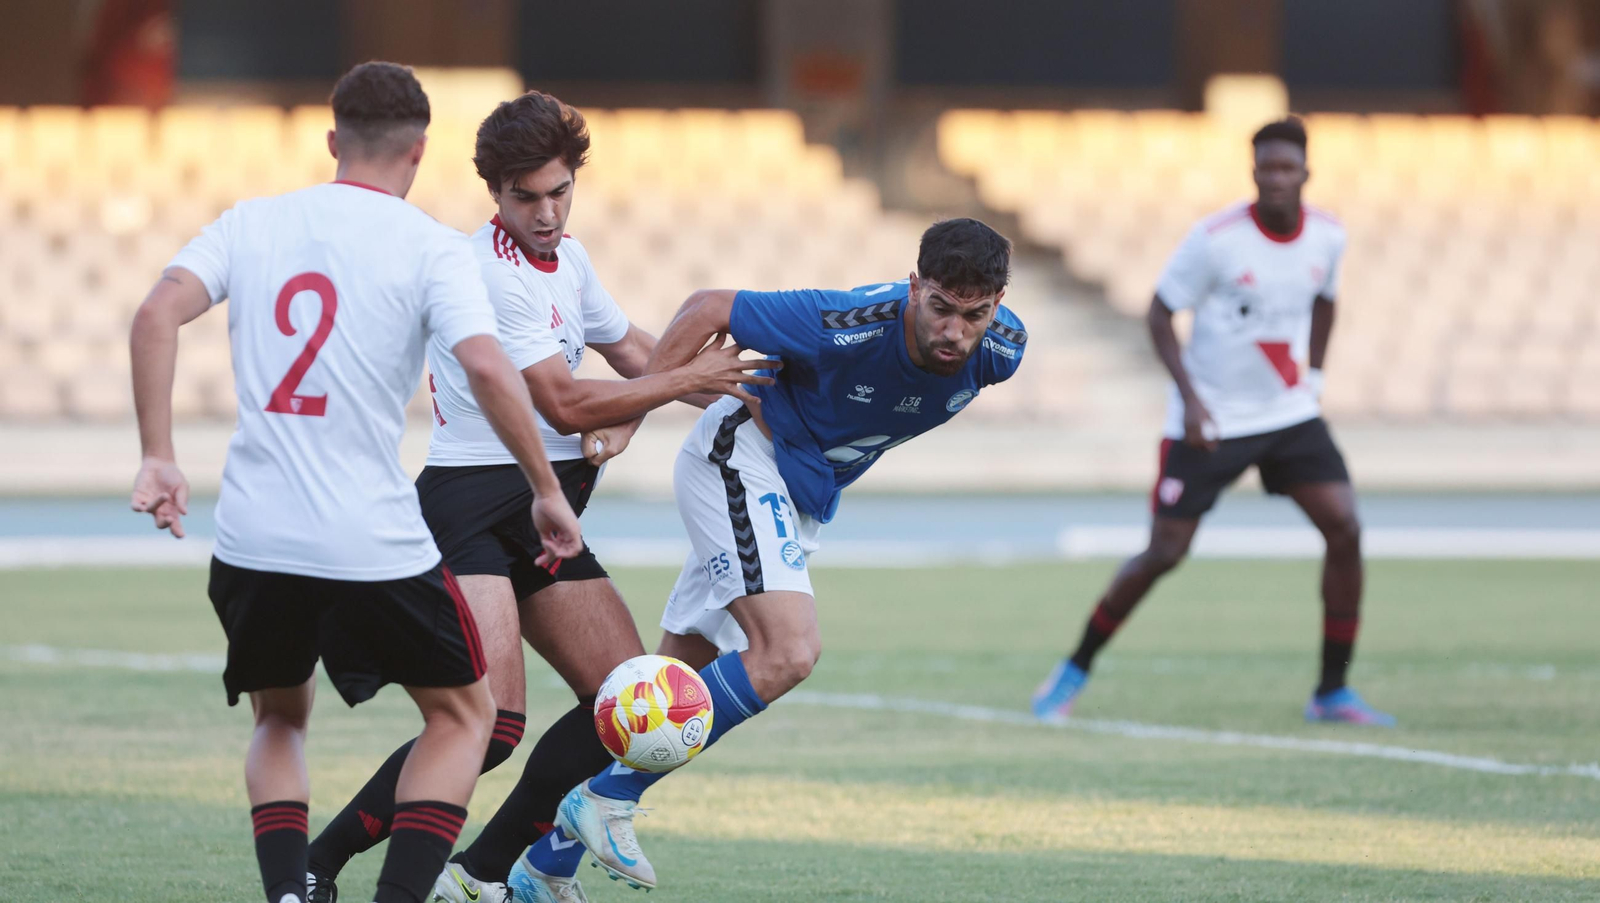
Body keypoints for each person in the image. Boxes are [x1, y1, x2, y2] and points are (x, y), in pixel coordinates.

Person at [127, 62, 583, 903]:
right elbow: (489, 367)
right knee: (465, 716)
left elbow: (155, 312)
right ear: (419, 151)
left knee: (279, 718)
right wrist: (545, 488)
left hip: (255, 533)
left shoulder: (252, 222)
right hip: (371, 537)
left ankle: (288, 892)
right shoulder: (432, 246)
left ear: (334, 138)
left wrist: (158, 454)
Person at [301, 90, 768, 903]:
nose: (547, 213)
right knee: (489, 726)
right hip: (469, 514)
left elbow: (637, 354)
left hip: (542, 516)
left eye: (560, 191)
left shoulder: (569, 260)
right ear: (495, 192)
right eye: (527, 197)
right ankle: (319, 863)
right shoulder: (488, 272)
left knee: (624, 706)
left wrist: (752, 396)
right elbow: (566, 403)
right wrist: (689, 377)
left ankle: (482, 872)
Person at [502, 217, 1026, 894]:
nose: (954, 331)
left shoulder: (1003, 350)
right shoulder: (847, 322)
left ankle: (543, 868)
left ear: (999, 305)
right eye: (940, 308)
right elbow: (708, 307)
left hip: (796, 495)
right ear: (913, 285)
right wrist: (629, 418)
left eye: (974, 315)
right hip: (742, 459)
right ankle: (609, 797)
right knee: (788, 650)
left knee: (670, 687)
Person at [1031, 116, 1392, 727]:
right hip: (1211, 422)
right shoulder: (1216, 239)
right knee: (1164, 553)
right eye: (1266, 167)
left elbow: (1326, 302)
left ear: (1306, 172)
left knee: (1346, 527)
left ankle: (1332, 692)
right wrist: (1192, 402)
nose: (1276, 178)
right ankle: (1072, 670)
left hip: (1289, 415)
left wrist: (1315, 378)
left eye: (1287, 167)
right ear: (1253, 171)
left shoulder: (1329, 236)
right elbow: (1158, 314)